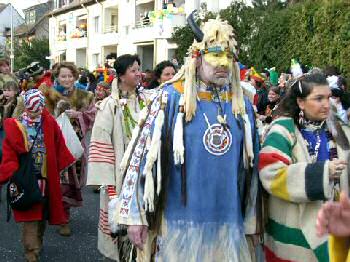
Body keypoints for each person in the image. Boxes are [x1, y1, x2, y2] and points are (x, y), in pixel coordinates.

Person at [112, 14, 261, 261]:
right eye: (215, 55)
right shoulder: (170, 98)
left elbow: (251, 170)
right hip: (178, 225)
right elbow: (141, 160)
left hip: (229, 223)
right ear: (198, 57)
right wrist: (135, 217)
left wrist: (253, 221)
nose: (223, 63)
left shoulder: (241, 105)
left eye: (228, 56)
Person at [259, 72, 350, 261]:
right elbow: (270, 173)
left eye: (328, 97)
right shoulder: (282, 130)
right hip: (295, 232)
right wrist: (323, 173)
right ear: (301, 102)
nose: (326, 104)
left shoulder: (338, 130)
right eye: (318, 98)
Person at [0, 89, 75, 262]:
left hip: (46, 176)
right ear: (26, 107)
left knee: (43, 211)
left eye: (39, 109)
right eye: (33, 109)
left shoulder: (48, 121)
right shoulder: (15, 125)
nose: (36, 113)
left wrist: (62, 166)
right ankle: (30, 249)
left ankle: (38, 241)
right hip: (26, 178)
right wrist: (8, 173)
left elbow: (59, 143)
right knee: (30, 214)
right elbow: (9, 152)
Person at [87, 54, 148, 261]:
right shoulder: (109, 106)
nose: (138, 73)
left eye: (139, 69)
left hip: (146, 175)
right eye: (133, 70)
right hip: (119, 179)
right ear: (121, 76)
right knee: (120, 228)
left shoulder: (148, 100)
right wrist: (110, 187)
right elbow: (101, 144)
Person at [41, 62, 95, 236]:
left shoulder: (84, 95)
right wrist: (56, 114)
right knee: (60, 182)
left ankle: (64, 213)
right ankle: (62, 218)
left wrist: (79, 115)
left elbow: (93, 115)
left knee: (72, 182)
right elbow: (39, 116)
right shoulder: (47, 95)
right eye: (63, 76)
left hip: (76, 145)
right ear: (56, 77)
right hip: (55, 145)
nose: (67, 79)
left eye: (70, 76)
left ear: (75, 77)